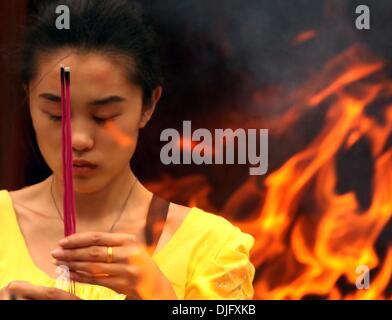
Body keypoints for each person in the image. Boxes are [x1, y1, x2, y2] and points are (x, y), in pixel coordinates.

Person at [0, 0, 255, 300]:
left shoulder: (212, 248)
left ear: (148, 105)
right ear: (28, 97)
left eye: (104, 116)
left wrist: (159, 294)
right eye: (56, 114)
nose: (78, 139)